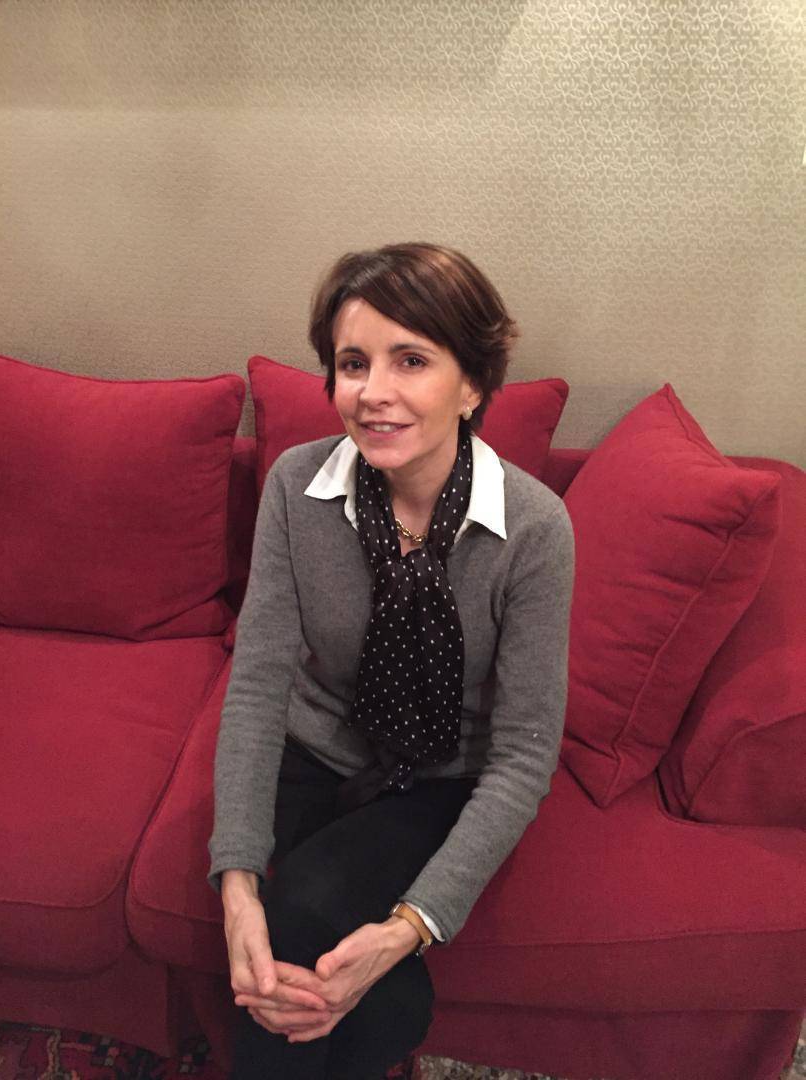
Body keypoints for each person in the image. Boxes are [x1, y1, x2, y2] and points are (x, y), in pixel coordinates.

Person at [207, 242, 575, 1079]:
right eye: (352, 364)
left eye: (411, 360)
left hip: (439, 772)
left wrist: (409, 927)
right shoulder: (297, 487)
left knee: (304, 911)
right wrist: (234, 888)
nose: (373, 392)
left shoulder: (534, 529)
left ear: (472, 383)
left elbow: (523, 757)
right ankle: (393, 1015)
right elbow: (259, 684)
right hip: (318, 749)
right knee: (309, 953)